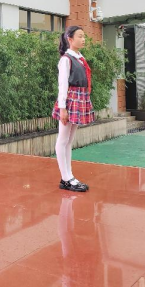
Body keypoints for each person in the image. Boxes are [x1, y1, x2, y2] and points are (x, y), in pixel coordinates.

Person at [51, 25, 94, 192]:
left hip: (79, 99)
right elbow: (62, 85)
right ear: (70, 39)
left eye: (84, 36)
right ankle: (65, 178)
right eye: (80, 36)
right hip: (70, 101)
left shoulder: (79, 58)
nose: (83, 39)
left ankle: (69, 176)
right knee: (62, 140)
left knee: (69, 141)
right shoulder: (66, 59)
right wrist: (63, 108)